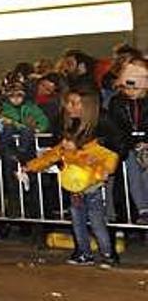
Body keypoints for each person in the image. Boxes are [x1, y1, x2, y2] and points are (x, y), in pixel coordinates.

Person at [20, 88, 119, 268]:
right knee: (77, 222)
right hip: (73, 190)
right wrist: (30, 166)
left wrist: (104, 170)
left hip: (91, 189)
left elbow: (111, 157)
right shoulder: (65, 147)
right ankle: (84, 253)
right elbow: (49, 157)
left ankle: (108, 254)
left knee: (96, 222)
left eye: (67, 139)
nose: (63, 142)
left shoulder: (93, 148)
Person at [106, 59, 148, 224]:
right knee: (133, 173)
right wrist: (133, 143)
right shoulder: (117, 102)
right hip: (128, 147)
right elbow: (116, 127)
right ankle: (143, 209)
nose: (130, 90)